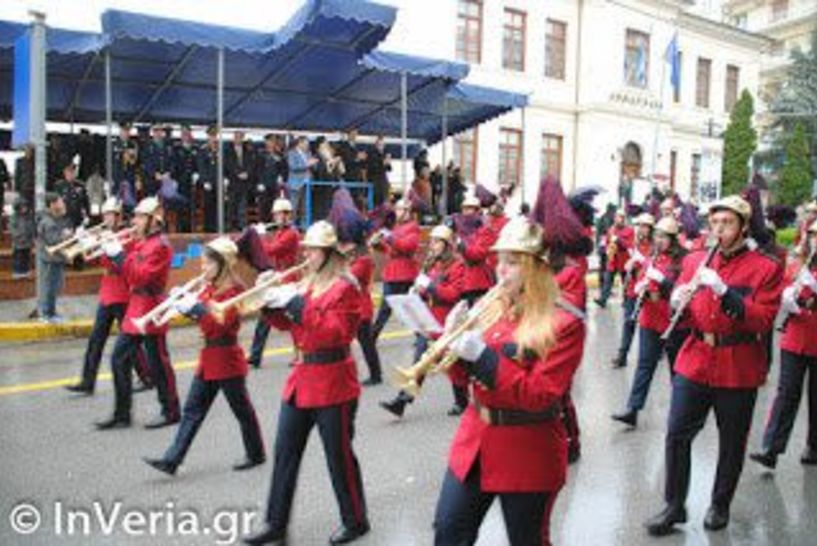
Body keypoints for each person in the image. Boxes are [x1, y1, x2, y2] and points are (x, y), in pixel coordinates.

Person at [432, 215, 586, 546]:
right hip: (475, 439)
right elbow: (463, 378)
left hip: (527, 448)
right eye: (499, 260)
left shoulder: (564, 322)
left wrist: (483, 357)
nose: (501, 269)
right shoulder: (492, 307)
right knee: (447, 531)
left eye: (513, 262)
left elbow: (540, 394)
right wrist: (453, 344)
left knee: (527, 540)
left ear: (537, 267)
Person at [645, 195, 783, 536]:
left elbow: (763, 320)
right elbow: (687, 311)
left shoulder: (765, 267)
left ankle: (720, 503)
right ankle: (674, 506)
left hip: (738, 363)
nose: (719, 230)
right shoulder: (693, 260)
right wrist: (675, 299)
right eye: (715, 223)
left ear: (743, 227)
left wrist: (724, 291)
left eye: (728, 223)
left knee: (732, 442)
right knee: (677, 433)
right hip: (695, 357)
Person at [244, 220, 369, 546]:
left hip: (334, 381)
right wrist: (269, 302)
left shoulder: (346, 286)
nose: (308, 256)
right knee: (285, 453)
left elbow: (336, 333)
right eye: (307, 250)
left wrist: (298, 304)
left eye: (314, 251)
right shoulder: (306, 284)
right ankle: (276, 523)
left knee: (338, 456)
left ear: (329, 254)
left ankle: (355, 519)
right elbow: (288, 325)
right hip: (302, 379)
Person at [144, 237, 266, 475]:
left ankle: (256, 453)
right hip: (209, 357)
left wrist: (196, 309)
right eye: (202, 263)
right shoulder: (210, 286)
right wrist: (179, 303)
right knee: (192, 410)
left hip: (226, 358)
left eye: (208, 264)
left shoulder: (234, 291)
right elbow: (201, 315)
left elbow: (219, 327)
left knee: (242, 410)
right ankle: (172, 459)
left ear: (223, 264)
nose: (203, 268)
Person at [96, 197, 180, 430]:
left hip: (151, 305)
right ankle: (122, 413)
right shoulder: (139, 241)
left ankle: (171, 410)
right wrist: (109, 250)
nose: (135, 221)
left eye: (141, 217)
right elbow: (121, 271)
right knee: (119, 359)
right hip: (136, 305)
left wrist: (120, 255)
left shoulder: (160, 245)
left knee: (158, 363)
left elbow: (140, 275)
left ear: (154, 221)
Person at [64, 198, 153, 395]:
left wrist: (109, 247)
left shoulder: (128, 237)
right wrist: (83, 241)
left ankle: (146, 376)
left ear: (119, 216)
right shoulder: (106, 234)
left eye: (110, 214)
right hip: (107, 293)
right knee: (96, 340)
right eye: (105, 214)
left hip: (122, 293)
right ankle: (88, 381)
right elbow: (87, 259)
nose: (106, 218)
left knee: (130, 341)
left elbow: (124, 265)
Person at [750, 219, 817, 469]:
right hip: (795, 337)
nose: (815, 241)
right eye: (812, 236)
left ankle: (814, 445)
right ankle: (771, 448)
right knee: (786, 393)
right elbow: (782, 286)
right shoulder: (799, 261)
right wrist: (787, 297)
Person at [380, 224, 467, 417]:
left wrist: (430, 288)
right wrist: (416, 292)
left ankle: (462, 401)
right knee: (419, 361)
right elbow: (426, 290)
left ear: (447, 245)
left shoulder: (457, 265)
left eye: (437, 241)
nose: (433, 245)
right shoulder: (431, 264)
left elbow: (453, 294)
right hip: (428, 320)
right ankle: (402, 401)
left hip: (447, 321)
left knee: (455, 366)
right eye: (432, 241)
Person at [611, 217, 688, 427]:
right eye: (657, 236)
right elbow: (642, 280)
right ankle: (633, 409)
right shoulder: (651, 257)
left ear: (673, 239)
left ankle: (680, 413)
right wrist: (638, 287)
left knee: (677, 370)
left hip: (672, 321)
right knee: (644, 365)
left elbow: (682, 291)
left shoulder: (682, 261)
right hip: (650, 319)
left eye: (664, 237)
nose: (659, 240)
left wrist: (662, 282)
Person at [247, 197, 302, 369]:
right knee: (265, 316)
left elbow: (271, 250)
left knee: (294, 320)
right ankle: (255, 355)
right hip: (278, 278)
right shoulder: (280, 232)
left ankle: (299, 353)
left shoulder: (291, 234)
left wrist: (259, 235)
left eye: (284, 214)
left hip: (289, 279)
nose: (280, 217)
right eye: (278, 214)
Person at [370, 198, 420, 342]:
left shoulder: (413, 227)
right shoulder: (397, 227)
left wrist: (389, 238)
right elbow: (390, 249)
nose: (401, 213)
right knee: (389, 309)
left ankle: (421, 336)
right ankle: (373, 336)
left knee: (407, 309)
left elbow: (407, 247)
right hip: (393, 272)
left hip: (404, 273)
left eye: (404, 210)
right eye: (399, 209)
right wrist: (378, 244)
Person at [611, 213, 655, 368]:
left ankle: (655, 353)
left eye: (645, 226)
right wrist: (630, 264)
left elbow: (657, 267)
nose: (642, 229)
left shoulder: (655, 246)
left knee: (650, 325)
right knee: (628, 322)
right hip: (633, 288)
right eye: (640, 226)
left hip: (648, 289)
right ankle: (622, 355)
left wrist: (642, 261)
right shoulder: (636, 243)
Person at [35, 193, 73, 322]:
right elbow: (54, 241)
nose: (63, 204)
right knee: (49, 288)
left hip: (54, 259)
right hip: (50, 260)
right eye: (60, 202)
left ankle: (50, 312)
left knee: (53, 287)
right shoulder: (48, 222)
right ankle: (46, 314)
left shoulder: (54, 218)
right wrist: (66, 235)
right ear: (52, 205)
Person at [595, 209, 634, 308]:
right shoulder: (611, 229)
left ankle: (626, 301)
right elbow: (607, 242)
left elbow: (629, 245)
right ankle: (603, 299)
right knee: (607, 280)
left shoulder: (629, 231)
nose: (619, 219)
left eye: (621, 217)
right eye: (617, 217)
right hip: (612, 259)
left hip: (624, 260)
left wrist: (619, 240)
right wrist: (604, 248)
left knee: (625, 281)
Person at [225, 131, 255, 230]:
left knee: (243, 205)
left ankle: (242, 226)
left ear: (243, 138)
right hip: (233, 181)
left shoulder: (247, 150)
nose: (238, 139)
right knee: (232, 205)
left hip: (244, 182)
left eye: (240, 137)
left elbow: (251, 164)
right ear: (233, 138)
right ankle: (230, 226)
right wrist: (238, 173)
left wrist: (247, 173)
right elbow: (228, 164)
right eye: (236, 137)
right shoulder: (228, 150)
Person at [172, 124, 198, 232]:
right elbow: (173, 165)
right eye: (183, 133)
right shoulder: (176, 149)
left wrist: (197, 174)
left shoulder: (195, 149)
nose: (185, 135)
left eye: (187, 133)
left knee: (191, 208)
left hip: (191, 183)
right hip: (180, 182)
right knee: (180, 209)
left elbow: (198, 165)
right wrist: (174, 179)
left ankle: (189, 231)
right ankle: (179, 231)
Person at [256, 134, 287, 224]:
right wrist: (259, 182)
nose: (272, 143)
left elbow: (284, 168)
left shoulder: (279, 155)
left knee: (275, 205)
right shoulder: (261, 154)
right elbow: (257, 169)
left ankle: (273, 224)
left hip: (275, 184)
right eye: (270, 141)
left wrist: (282, 176)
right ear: (266, 142)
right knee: (263, 205)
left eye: (273, 141)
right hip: (263, 184)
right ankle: (263, 223)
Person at [286, 136, 318, 222]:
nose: (307, 146)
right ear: (299, 143)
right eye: (305, 143)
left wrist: (314, 163)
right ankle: (292, 226)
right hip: (295, 184)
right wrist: (307, 164)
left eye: (307, 144)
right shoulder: (291, 153)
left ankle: (304, 227)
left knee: (305, 206)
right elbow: (293, 167)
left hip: (307, 183)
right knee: (294, 206)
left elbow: (313, 168)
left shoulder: (308, 153)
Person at [197, 125, 221, 233]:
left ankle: (217, 227)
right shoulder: (203, 149)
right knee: (208, 206)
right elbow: (201, 166)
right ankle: (208, 228)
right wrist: (205, 180)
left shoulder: (219, 149)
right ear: (208, 136)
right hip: (208, 182)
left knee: (218, 205)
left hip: (218, 182)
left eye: (215, 135)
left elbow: (222, 165)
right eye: (211, 135)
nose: (213, 138)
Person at [54, 163, 91, 229]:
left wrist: (88, 215)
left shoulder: (80, 185)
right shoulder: (60, 186)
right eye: (69, 171)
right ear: (65, 172)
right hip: (65, 218)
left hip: (78, 217)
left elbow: (86, 202)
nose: (71, 174)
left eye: (72, 171)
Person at [141, 124, 174, 196]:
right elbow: (145, 162)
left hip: (166, 178)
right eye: (155, 131)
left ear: (162, 132)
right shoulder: (147, 146)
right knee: (152, 201)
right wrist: (154, 173)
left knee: (166, 202)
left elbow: (173, 160)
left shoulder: (168, 145)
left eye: (160, 131)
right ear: (152, 132)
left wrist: (169, 172)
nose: (158, 133)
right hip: (151, 179)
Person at [11, 196, 35, 279]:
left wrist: (31, 238)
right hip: (18, 242)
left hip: (28, 241)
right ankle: (17, 271)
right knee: (18, 257)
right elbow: (13, 229)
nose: (24, 208)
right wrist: (19, 237)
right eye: (22, 207)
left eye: (25, 206)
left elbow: (32, 227)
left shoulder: (29, 217)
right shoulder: (14, 217)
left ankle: (25, 271)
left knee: (26, 257)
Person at [365, 136, 391, 207]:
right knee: (376, 201)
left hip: (383, 182)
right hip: (375, 182)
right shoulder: (372, 154)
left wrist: (388, 162)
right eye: (379, 144)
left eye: (382, 145)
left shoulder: (384, 155)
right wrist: (383, 163)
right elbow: (373, 168)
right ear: (376, 145)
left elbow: (389, 169)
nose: (381, 146)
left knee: (384, 201)